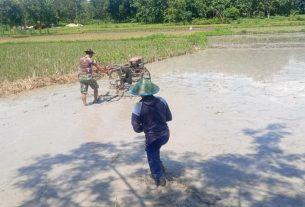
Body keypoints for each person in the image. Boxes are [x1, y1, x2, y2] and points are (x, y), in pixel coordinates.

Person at [129, 78, 172, 187]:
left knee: (152, 157)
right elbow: (169, 118)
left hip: (152, 138)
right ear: (152, 90)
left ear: (139, 93)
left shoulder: (137, 107)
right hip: (165, 135)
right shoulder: (162, 100)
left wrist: (146, 126)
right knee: (155, 151)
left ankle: (160, 180)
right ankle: (161, 167)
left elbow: (136, 129)